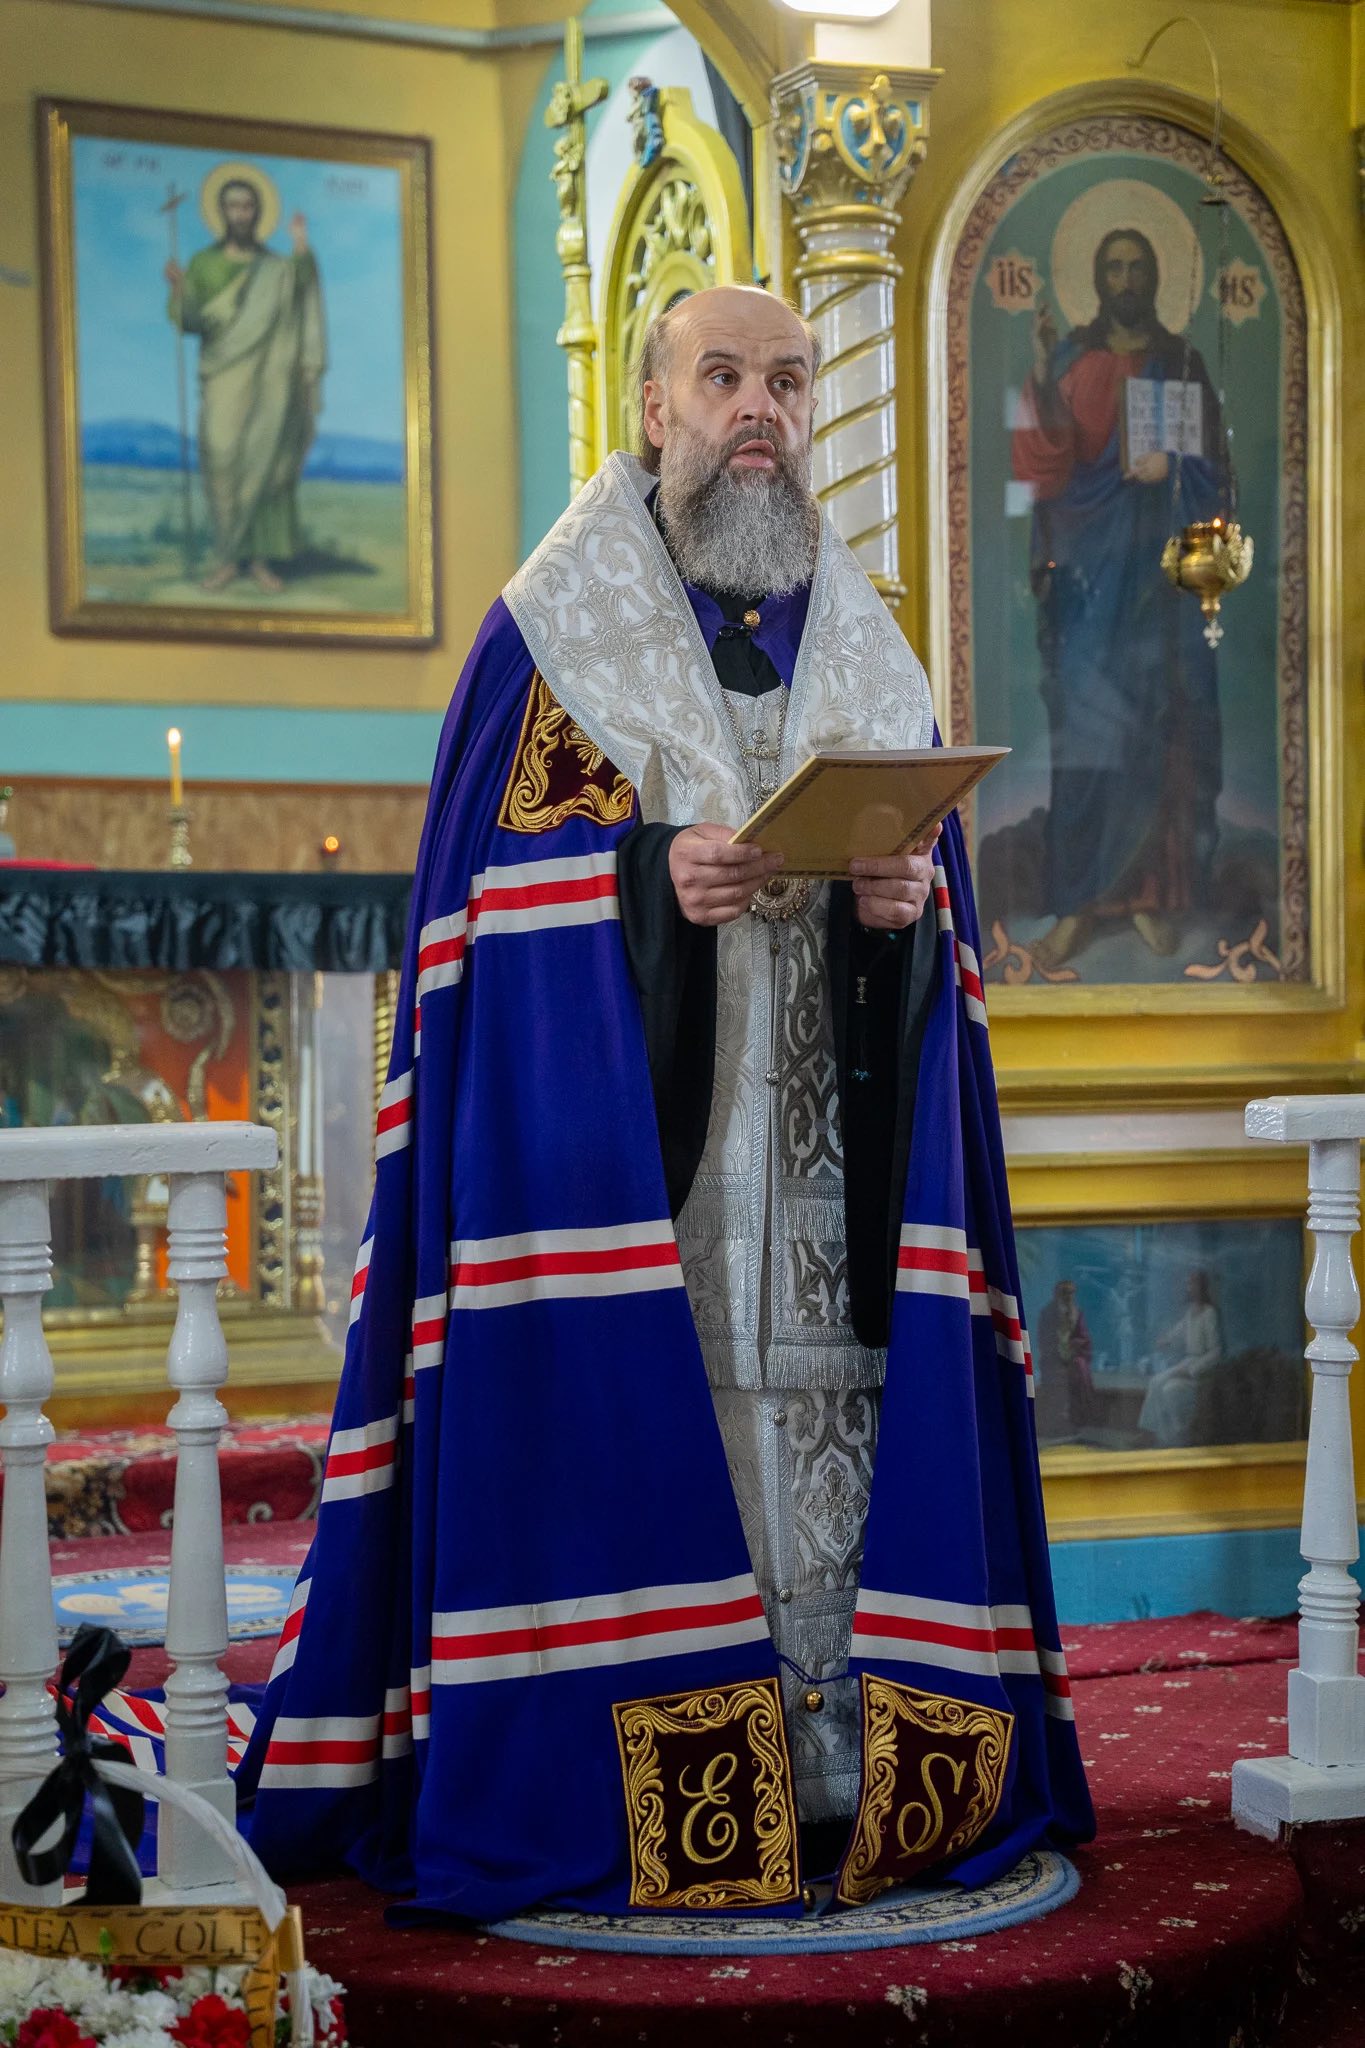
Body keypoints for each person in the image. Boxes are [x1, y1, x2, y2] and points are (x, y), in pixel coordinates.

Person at [240, 286, 1092, 1920]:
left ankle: (834, 1776)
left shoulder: (869, 642)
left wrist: (903, 912)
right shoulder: (548, 637)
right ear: (653, 410)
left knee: (831, 1448)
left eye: (787, 379)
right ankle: (662, 1798)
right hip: (641, 1187)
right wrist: (642, 884)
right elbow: (473, 925)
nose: (759, 407)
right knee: (659, 1444)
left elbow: (935, 905)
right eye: (722, 377)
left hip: (829, 1188)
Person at [1011, 228, 1223, 971]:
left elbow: (1217, 478)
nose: (1125, 280)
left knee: (1153, 728)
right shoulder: (1071, 358)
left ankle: (1146, 896)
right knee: (1084, 731)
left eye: (1137, 267)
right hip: (1084, 580)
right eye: (1113, 268)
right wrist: (1043, 372)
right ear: (1097, 279)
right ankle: (1077, 904)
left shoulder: (1182, 362)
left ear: (1155, 277)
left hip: (1158, 587)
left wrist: (1175, 467)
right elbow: (1040, 468)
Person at [165, 174, 326, 594]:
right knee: (221, 455)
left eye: (248, 206)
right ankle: (226, 558)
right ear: (222, 211)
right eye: (233, 206)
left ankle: (257, 561)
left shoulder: (275, 268)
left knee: (266, 462)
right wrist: (180, 290)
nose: (241, 214)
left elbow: (301, 287)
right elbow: (191, 319)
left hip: (271, 380)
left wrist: (300, 244)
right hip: (224, 376)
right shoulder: (205, 264)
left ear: (258, 212)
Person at [1139, 1268, 1223, 1446]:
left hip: (1202, 1370)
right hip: (1188, 1362)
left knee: (1169, 1390)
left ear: (1202, 1286)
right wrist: (1166, 1340)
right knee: (1156, 1382)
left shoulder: (1209, 1313)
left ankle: (1177, 1436)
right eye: (1189, 1283)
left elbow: (1216, 1352)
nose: (1189, 1287)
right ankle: (1154, 1435)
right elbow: (1179, 1331)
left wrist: (1192, 1370)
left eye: (1193, 1283)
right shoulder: (1191, 1312)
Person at [1035, 1277, 1095, 1440]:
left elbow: (1083, 1337)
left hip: (1073, 1358)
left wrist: (1073, 1346)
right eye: (1065, 1293)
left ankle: (1076, 1420)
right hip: (1053, 1360)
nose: (1068, 1296)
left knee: (1080, 1371)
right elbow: (1043, 1339)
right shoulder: (1047, 1313)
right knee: (1058, 1382)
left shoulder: (1077, 1313)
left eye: (1071, 1293)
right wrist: (1058, 1348)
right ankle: (1057, 1423)